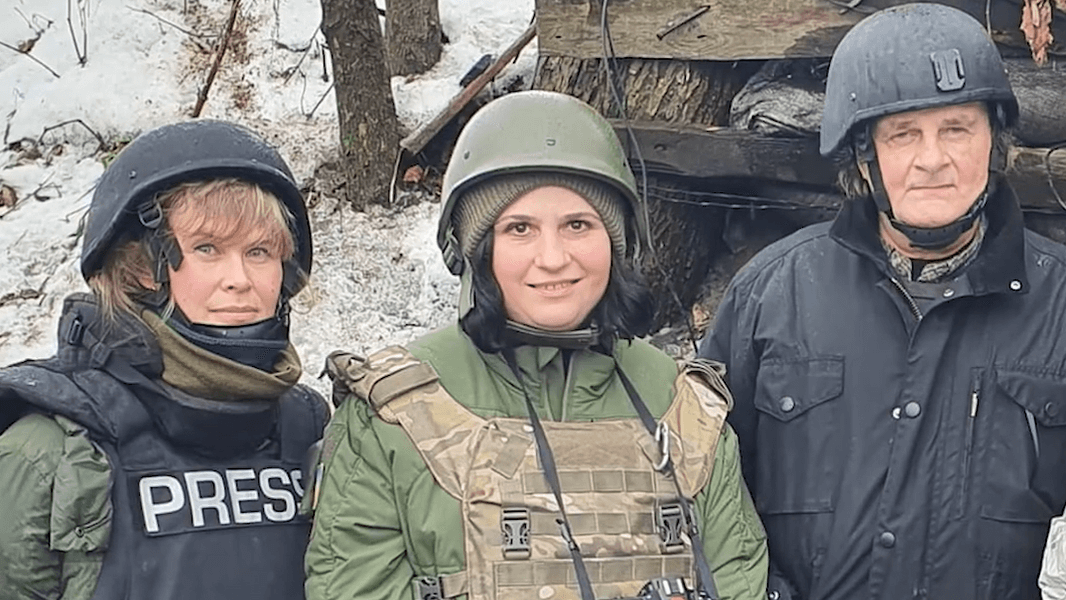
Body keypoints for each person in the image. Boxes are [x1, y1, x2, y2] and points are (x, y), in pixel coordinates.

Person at [304, 90, 768, 600]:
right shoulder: (391, 413)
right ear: (476, 251)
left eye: (578, 225)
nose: (553, 258)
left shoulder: (682, 408)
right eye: (519, 228)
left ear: (616, 243)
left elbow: (736, 576)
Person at [699, 3, 1066, 600]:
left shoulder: (1059, 305)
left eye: (956, 129)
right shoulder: (771, 293)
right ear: (863, 157)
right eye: (903, 134)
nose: (932, 160)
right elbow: (706, 497)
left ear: (994, 144)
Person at [0, 120, 329, 600]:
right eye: (207, 249)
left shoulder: (309, 428)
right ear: (139, 267)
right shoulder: (47, 452)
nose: (240, 278)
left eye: (259, 251)